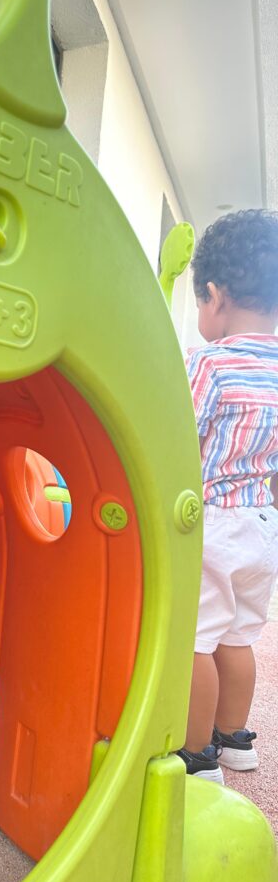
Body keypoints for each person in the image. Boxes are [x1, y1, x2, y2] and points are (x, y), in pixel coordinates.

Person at [178, 209, 278, 782]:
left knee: (196, 640)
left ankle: (197, 755)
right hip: (262, 523)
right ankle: (235, 739)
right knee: (238, 638)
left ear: (215, 296)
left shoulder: (209, 364)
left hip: (214, 523)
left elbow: (181, 444)